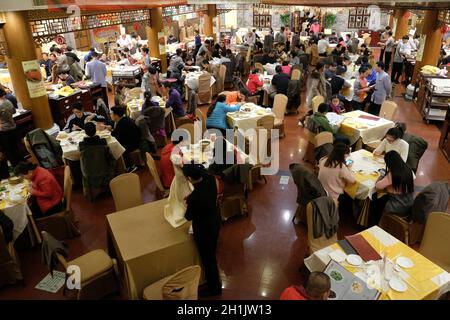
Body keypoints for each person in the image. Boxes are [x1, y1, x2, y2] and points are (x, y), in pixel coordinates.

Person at [182, 164, 222, 297]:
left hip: (204, 229)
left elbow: (188, 216)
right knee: (211, 255)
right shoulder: (210, 179)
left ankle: (214, 288)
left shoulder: (195, 197)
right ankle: (212, 282)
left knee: (208, 259)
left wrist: (188, 203)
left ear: (189, 178)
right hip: (215, 220)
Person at [375, 151, 415, 217]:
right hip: (409, 202)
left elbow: (378, 186)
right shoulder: (408, 169)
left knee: (375, 201)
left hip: (397, 205)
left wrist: (381, 176)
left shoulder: (393, 174)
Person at [0, 88, 21, 167]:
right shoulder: (8, 101)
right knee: (15, 149)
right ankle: (21, 164)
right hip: (13, 127)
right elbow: (14, 111)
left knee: (9, 152)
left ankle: (16, 167)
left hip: (4, 131)